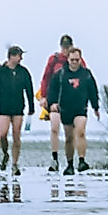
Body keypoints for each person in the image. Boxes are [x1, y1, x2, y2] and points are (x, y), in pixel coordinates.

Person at [47, 48, 99, 175]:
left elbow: (93, 90)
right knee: (69, 138)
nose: (75, 62)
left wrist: (95, 107)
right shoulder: (60, 74)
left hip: (80, 108)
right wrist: (52, 103)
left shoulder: (86, 74)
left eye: (77, 60)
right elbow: (52, 90)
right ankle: (69, 164)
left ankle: (82, 160)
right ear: (68, 60)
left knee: (80, 131)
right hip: (65, 109)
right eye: (72, 60)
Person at [0, 46, 37, 175]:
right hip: (4, 107)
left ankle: (15, 164)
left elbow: (29, 89)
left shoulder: (23, 72)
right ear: (11, 56)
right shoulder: (0, 72)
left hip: (18, 107)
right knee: (2, 134)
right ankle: (5, 154)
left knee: (16, 136)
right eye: (18, 56)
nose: (20, 58)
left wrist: (31, 106)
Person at [39, 34, 75, 172]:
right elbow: (45, 78)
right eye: (64, 47)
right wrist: (43, 97)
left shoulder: (76, 60)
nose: (66, 50)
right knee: (54, 128)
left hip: (71, 102)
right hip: (54, 99)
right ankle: (54, 158)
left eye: (68, 47)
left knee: (69, 134)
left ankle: (70, 162)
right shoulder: (54, 60)